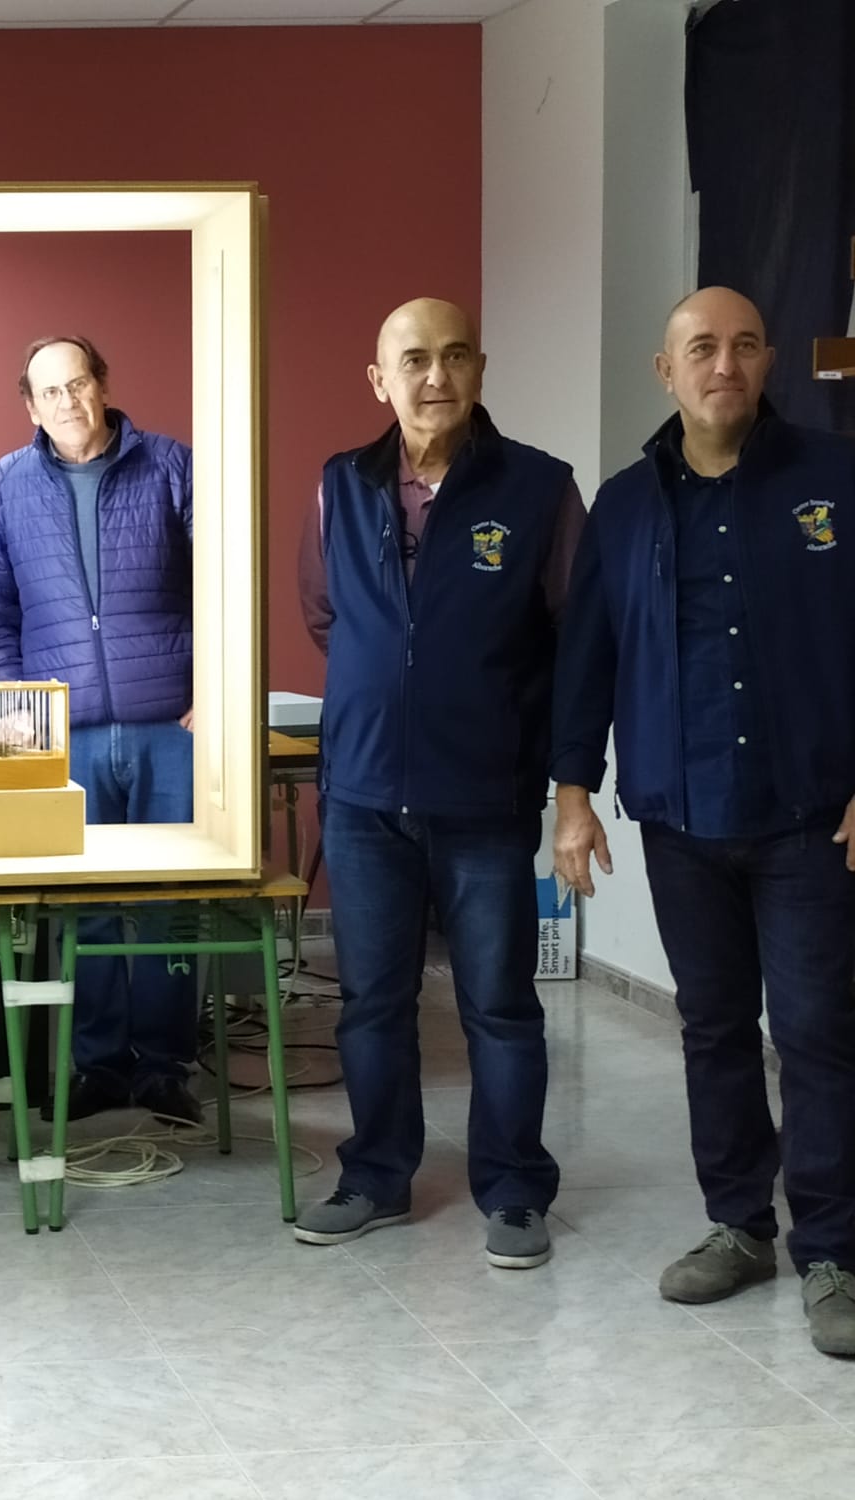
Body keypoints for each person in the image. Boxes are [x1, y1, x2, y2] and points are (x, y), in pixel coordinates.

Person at [554, 286, 855, 1354]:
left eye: (742, 346)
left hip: (810, 819)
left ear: (767, 361)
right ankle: (738, 1227)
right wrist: (572, 794)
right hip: (680, 819)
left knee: (817, 1033)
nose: (722, 365)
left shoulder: (833, 479)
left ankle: (833, 1251)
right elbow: (586, 655)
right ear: (665, 369)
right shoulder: (625, 504)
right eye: (701, 348)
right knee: (713, 1030)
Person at [293, 298, 583, 1269]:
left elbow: (573, 636)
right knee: (370, 1002)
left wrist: (558, 775)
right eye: (413, 359)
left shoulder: (537, 487)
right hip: (364, 793)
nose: (434, 376)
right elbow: (327, 615)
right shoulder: (340, 484)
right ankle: (376, 1175)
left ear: (479, 369)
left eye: (455, 356)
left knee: (498, 1004)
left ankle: (514, 1190)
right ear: (378, 379)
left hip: (484, 797)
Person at [0, 335, 198, 1122]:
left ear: (103, 384)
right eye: (49, 391)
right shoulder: (4, 485)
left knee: (169, 901)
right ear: (29, 407)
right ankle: (97, 1065)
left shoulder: (172, 465)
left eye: (78, 383)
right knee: (81, 905)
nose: (67, 401)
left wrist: (216, 686)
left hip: (170, 724)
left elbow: (224, 579)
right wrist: (17, 707)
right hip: (64, 735)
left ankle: (165, 1067)